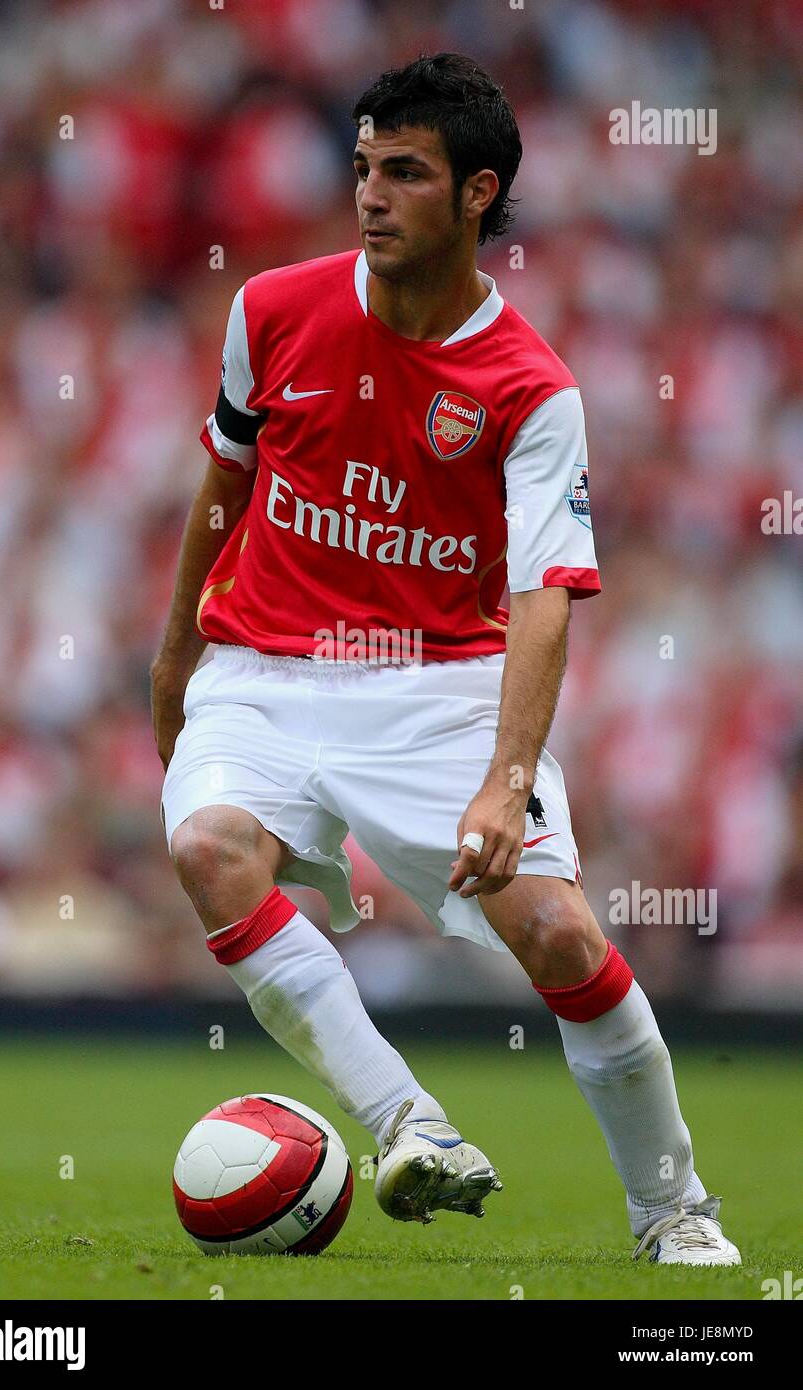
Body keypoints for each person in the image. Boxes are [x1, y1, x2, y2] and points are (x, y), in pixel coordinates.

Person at [151, 52, 739, 1264]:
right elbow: (220, 496)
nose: (369, 194)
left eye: (404, 173)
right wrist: (172, 671)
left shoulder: (530, 390)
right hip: (263, 665)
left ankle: (671, 1210)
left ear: (476, 194)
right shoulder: (268, 311)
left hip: (439, 688)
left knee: (564, 941)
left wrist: (504, 778)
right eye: (363, 167)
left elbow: (545, 597)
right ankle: (408, 1124)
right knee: (207, 847)